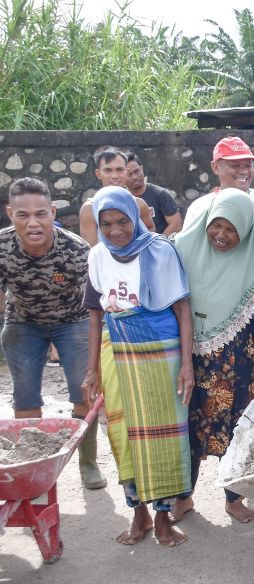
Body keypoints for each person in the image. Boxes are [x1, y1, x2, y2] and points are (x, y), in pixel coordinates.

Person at [81, 186, 194, 547]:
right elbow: (95, 315)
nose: (116, 230)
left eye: (123, 221)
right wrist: (92, 368)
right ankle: (138, 513)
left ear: (136, 217)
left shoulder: (161, 251)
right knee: (123, 434)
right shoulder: (97, 256)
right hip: (115, 351)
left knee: (164, 434)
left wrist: (187, 365)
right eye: (107, 223)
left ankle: (163, 517)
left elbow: (182, 310)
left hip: (161, 349)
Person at [171, 189, 254, 524]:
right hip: (190, 360)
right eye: (215, 226)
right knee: (188, 432)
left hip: (238, 365)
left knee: (238, 431)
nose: (221, 236)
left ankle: (233, 499)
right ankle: (184, 497)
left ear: (247, 230)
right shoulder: (181, 251)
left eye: (232, 229)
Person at [0, 177, 105, 489]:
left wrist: (92, 349)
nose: (33, 223)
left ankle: (88, 461)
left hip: (72, 321)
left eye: (40, 214)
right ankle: (31, 465)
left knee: (83, 392)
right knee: (26, 396)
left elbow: (93, 307)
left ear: (53, 212)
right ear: (10, 214)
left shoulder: (75, 250)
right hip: (23, 322)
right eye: (23, 215)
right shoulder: (2, 248)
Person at [185, 137, 254, 235]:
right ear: (216, 167)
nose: (244, 171)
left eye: (248, 165)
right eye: (235, 166)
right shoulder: (199, 209)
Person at [78, 146, 156, 246]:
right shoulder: (89, 209)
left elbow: (150, 229)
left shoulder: (138, 204)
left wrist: (135, 249)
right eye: (108, 170)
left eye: (119, 170)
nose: (115, 176)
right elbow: (90, 250)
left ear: (126, 172)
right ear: (98, 174)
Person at [125, 152, 183, 236]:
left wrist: (157, 245)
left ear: (142, 169)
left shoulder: (160, 194)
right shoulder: (122, 199)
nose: (134, 177)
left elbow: (176, 225)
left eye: (137, 171)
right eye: (129, 174)